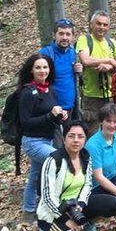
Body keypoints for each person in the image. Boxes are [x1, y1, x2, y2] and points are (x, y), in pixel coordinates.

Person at [36, 121, 116, 231]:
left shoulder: (85, 157)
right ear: (64, 139)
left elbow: (87, 184)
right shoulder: (54, 161)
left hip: (74, 206)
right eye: (71, 136)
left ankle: (82, 224)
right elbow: (47, 197)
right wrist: (66, 221)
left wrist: (81, 204)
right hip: (53, 213)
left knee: (113, 204)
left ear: (85, 139)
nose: (76, 140)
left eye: (80, 136)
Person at [18, 53, 66, 222]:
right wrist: (50, 115)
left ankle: (28, 211)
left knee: (34, 176)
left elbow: (50, 116)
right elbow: (25, 122)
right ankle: (55, 206)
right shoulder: (27, 92)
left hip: (47, 139)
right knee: (60, 163)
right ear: (31, 70)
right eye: (38, 67)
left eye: (45, 67)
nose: (42, 71)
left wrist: (60, 116)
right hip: (33, 142)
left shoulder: (49, 90)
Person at [76, 10, 116, 135]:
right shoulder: (85, 40)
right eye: (98, 23)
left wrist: (109, 67)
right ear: (91, 24)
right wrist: (109, 60)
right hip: (92, 97)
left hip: (111, 96)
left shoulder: (112, 43)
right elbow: (85, 60)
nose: (102, 27)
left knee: (111, 131)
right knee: (93, 132)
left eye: (105, 25)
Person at [39, 18, 82, 146]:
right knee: (57, 148)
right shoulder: (46, 53)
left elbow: (76, 79)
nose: (64, 37)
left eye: (68, 34)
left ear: (72, 36)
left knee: (71, 145)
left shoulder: (73, 53)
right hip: (52, 110)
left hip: (71, 108)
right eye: (61, 33)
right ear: (54, 35)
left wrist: (79, 71)